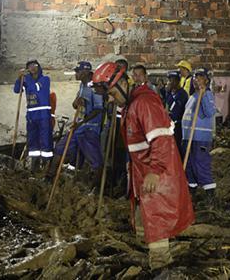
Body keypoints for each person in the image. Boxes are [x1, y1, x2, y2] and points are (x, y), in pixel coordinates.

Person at [92, 62, 194, 269]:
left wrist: (155, 172)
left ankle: (160, 265)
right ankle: (148, 253)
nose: (110, 99)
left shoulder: (144, 103)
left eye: (111, 93)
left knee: (156, 219)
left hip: (155, 173)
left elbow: (161, 139)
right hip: (142, 172)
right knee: (144, 218)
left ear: (122, 83)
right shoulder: (131, 104)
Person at [49, 61, 105, 181]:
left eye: (78, 71)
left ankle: (97, 186)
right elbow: (75, 105)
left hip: (90, 128)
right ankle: (49, 177)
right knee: (60, 148)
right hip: (79, 126)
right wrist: (77, 102)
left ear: (85, 72)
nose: (76, 73)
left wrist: (81, 123)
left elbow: (98, 110)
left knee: (95, 160)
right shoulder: (82, 86)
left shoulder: (95, 87)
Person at [182, 68, 218, 203]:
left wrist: (203, 93)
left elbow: (209, 113)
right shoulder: (192, 96)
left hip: (200, 139)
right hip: (188, 138)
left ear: (206, 80)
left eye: (200, 77)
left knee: (200, 165)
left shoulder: (207, 95)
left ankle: (211, 197)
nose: (196, 80)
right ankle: (191, 194)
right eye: (195, 77)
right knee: (190, 168)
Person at [14, 59, 53, 170]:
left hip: (43, 115)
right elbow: (17, 90)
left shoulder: (45, 79)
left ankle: (46, 165)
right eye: (29, 66)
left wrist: (26, 79)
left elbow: (35, 89)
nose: (32, 67)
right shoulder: (26, 81)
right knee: (32, 140)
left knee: (45, 140)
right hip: (31, 115)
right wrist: (19, 79)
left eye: (34, 65)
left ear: (39, 67)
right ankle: (34, 166)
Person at [164, 71, 188, 159]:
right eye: (169, 80)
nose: (169, 83)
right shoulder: (169, 94)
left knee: (177, 148)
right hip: (169, 125)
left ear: (176, 81)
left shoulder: (182, 94)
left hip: (178, 126)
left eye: (171, 80)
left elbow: (176, 111)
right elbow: (166, 108)